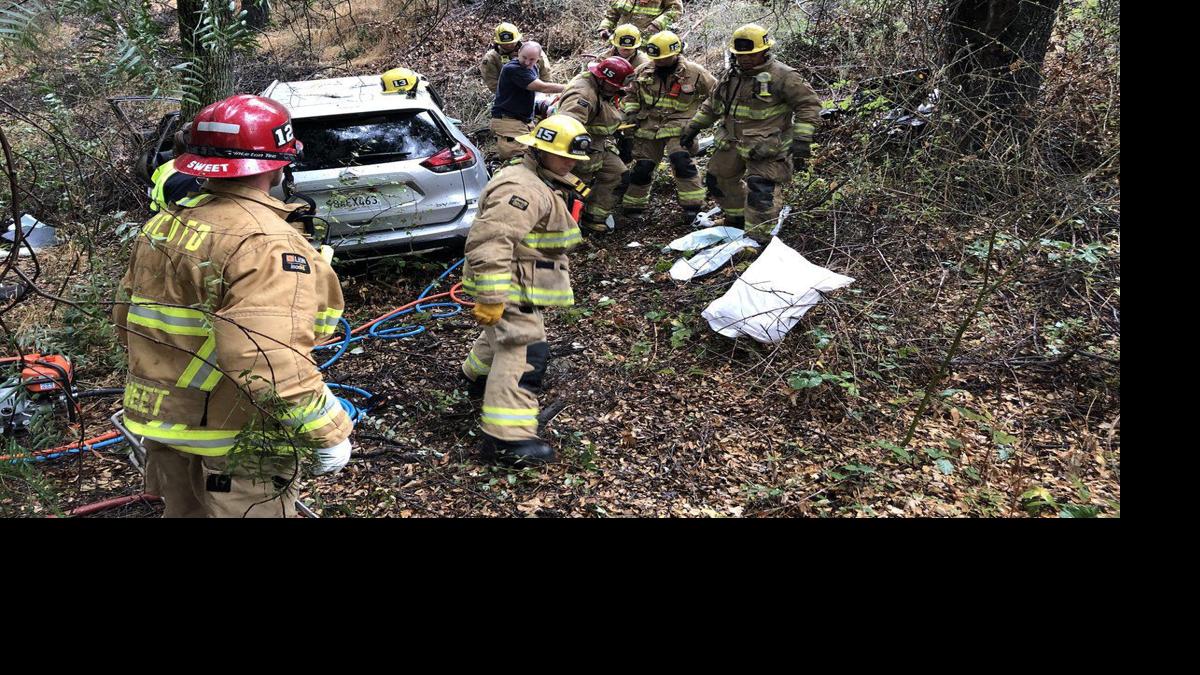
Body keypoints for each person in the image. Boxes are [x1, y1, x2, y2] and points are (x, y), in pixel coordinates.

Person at [113, 94, 353, 517]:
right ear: (278, 163)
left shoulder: (164, 223)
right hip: (235, 438)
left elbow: (125, 320)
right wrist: (328, 432)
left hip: (165, 424)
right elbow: (266, 358)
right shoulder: (265, 243)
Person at [460, 115, 593, 465]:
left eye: (574, 160)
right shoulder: (521, 189)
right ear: (539, 150)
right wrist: (492, 297)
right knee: (524, 349)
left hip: (520, 280)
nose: (570, 165)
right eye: (564, 157)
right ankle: (507, 440)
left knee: (498, 338)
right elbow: (490, 241)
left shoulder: (540, 179)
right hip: (509, 283)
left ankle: (476, 381)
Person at [680, 24, 822, 244]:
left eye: (750, 54)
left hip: (768, 146)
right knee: (718, 179)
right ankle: (736, 219)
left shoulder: (784, 76)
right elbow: (714, 104)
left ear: (764, 50)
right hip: (732, 141)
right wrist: (693, 127)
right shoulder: (732, 76)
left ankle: (758, 238)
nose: (744, 59)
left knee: (761, 190)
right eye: (740, 55)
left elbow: (809, 106)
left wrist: (802, 139)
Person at [619, 30, 716, 227]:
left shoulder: (695, 73)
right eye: (656, 59)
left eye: (663, 58)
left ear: (675, 53)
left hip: (680, 126)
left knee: (681, 160)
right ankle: (633, 208)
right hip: (648, 125)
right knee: (643, 166)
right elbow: (630, 95)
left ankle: (692, 207)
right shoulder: (643, 71)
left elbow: (717, 94)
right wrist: (631, 112)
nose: (659, 62)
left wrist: (702, 118)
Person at [556, 55, 635, 233]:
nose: (617, 91)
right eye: (614, 87)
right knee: (573, 192)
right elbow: (566, 124)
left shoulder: (603, 88)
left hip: (597, 146)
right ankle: (564, 229)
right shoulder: (582, 95)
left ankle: (593, 218)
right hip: (576, 151)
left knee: (618, 175)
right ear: (602, 79)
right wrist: (574, 155)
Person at [491, 42, 566, 161]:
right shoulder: (513, 68)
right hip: (508, 121)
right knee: (517, 159)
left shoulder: (533, 68)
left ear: (539, 58)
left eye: (532, 59)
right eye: (524, 57)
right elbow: (542, 87)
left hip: (524, 121)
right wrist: (570, 88)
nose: (526, 62)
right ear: (519, 52)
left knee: (532, 156)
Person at [480, 22, 551, 93]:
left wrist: (544, 91)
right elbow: (492, 83)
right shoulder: (491, 58)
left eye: (511, 43)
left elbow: (545, 73)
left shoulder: (532, 50)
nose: (508, 45)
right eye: (505, 44)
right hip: (508, 95)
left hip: (535, 90)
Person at [597, 0, 682, 39]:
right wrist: (604, 28)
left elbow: (675, 10)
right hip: (621, 41)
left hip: (647, 43)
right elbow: (612, 13)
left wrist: (657, 24)